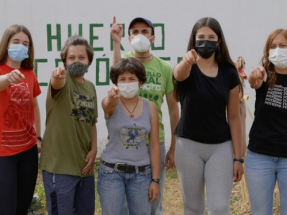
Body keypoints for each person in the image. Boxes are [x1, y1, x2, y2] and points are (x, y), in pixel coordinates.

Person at [173, 17, 244, 215]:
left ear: (219, 41)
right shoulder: (187, 67)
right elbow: (178, 74)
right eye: (201, 37)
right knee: (193, 208)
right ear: (194, 40)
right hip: (188, 146)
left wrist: (238, 157)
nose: (206, 41)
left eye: (211, 37)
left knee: (220, 208)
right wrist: (186, 61)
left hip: (220, 147)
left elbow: (235, 117)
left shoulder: (229, 72)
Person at [111, 16, 179, 215]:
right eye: (135, 32)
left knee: (153, 200)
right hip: (125, 142)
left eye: (144, 31)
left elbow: (174, 109)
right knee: (123, 204)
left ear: (153, 38)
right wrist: (116, 42)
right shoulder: (123, 60)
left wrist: (174, 147)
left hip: (153, 143)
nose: (139, 35)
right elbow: (116, 74)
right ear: (129, 37)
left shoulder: (164, 68)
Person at [39, 35, 98, 215]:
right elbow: (57, 81)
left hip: (84, 169)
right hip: (60, 168)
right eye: (71, 58)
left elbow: (92, 123)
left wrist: (94, 149)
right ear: (64, 61)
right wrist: (57, 75)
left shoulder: (90, 87)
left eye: (81, 57)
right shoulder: (62, 83)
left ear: (89, 60)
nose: (76, 61)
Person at [97, 57, 160, 215]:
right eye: (122, 79)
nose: (127, 82)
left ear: (140, 82)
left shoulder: (150, 107)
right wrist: (112, 98)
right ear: (116, 82)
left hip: (142, 175)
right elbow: (107, 105)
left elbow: (154, 145)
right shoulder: (111, 102)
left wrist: (155, 179)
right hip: (112, 173)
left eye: (132, 78)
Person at [0, 24, 41, 215]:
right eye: (16, 42)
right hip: (4, 153)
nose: (21, 46)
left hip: (28, 150)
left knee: (22, 207)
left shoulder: (30, 74)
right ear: (6, 44)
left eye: (26, 43)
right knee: (6, 208)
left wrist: (38, 137)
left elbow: (34, 106)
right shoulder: (2, 71)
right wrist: (7, 77)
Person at [246, 29, 287, 215]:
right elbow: (254, 81)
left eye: (283, 45)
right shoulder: (263, 75)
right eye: (273, 46)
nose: (277, 50)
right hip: (259, 157)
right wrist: (254, 77)